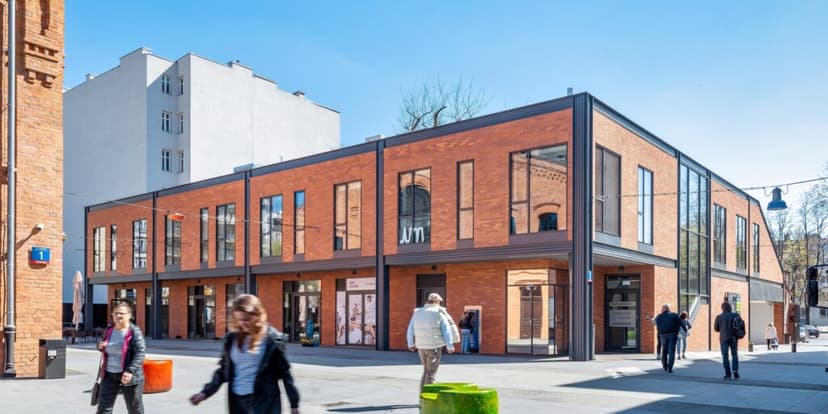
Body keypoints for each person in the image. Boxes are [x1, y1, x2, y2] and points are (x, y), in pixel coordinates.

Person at [190, 294, 300, 413]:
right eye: (239, 319)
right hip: (237, 401)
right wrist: (205, 393)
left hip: (263, 402)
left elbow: (285, 374)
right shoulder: (231, 339)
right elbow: (223, 371)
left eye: (247, 319)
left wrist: (294, 404)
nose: (242, 323)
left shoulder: (272, 341)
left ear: (257, 316)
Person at [96, 303, 146, 414]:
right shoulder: (108, 330)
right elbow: (102, 344)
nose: (118, 315)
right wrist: (99, 346)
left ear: (129, 315)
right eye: (116, 313)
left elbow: (140, 353)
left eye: (121, 313)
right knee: (103, 408)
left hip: (128, 375)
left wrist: (130, 371)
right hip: (109, 374)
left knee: (134, 408)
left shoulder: (134, 332)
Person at [407, 293, 455, 390]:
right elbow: (446, 330)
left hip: (421, 347)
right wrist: (450, 345)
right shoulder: (439, 312)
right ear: (437, 302)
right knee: (431, 373)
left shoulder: (417, 312)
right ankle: (427, 395)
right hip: (434, 347)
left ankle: (422, 392)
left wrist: (410, 343)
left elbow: (410, 329)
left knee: (426, 371)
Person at [714, 301, 740, 380]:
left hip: (723, 338)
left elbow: (716, 328)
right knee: (734, 354)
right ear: (730, 307)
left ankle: (728, 374)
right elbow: (740, 325)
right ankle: (735, 370)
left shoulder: (719, 317)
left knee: (725, 356)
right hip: (733, 338)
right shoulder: (735, 315)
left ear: (722, 308)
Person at [654, 304, 681, 373]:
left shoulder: (659, 316)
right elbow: (679, 323)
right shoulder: (674, 315)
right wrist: (678, 331)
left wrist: (660, 332)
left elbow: (657, 325)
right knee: (672, 351)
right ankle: (670, 368)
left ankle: (664, 366)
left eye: (662, 308)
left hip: (663, 335)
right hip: (672, 334)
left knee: (664, 351)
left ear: (664, 309)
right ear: (668, 308)